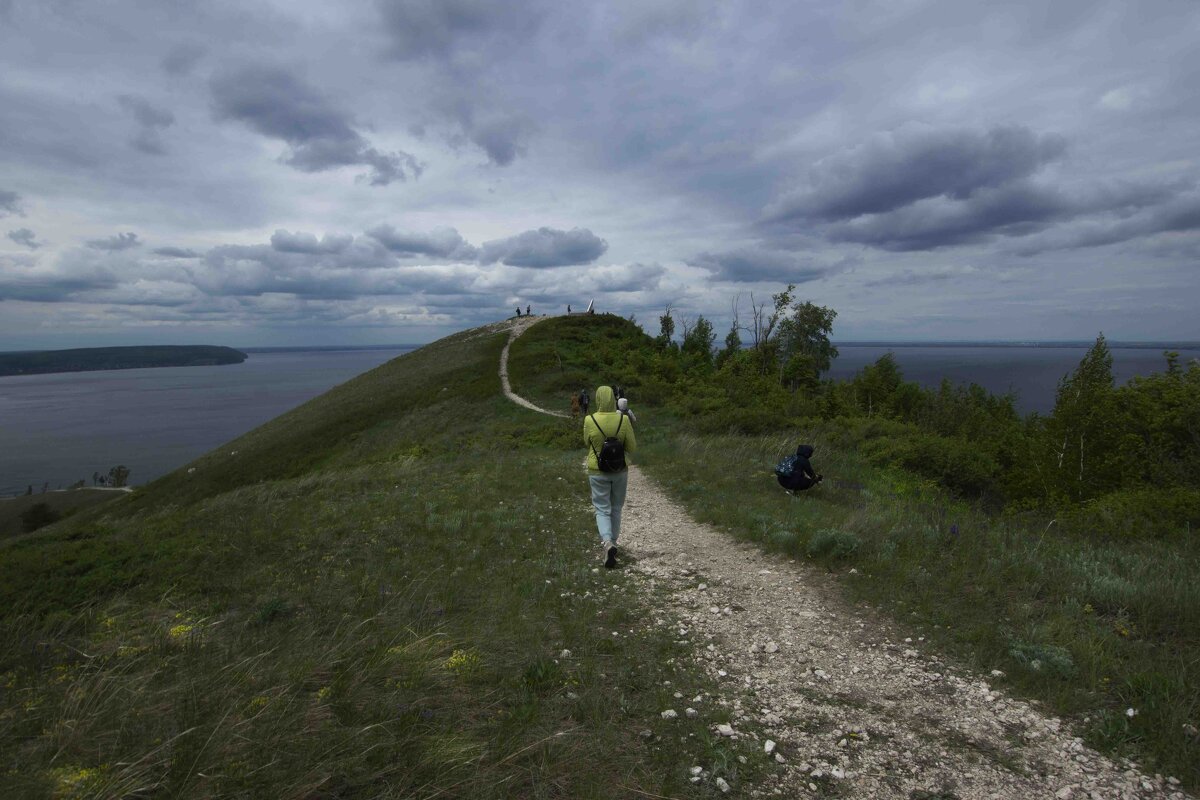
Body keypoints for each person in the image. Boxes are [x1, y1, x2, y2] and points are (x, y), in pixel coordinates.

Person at [584, 386, 637, 568]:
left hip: (597, 470)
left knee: (601, 508)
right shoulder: (623, 419)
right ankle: (613, 542)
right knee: (616, 507)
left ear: (598, 399)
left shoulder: (589, 419)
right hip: (620, 470)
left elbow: (586, 442)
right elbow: (632, 446)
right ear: (613, 399)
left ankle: (607, 542)